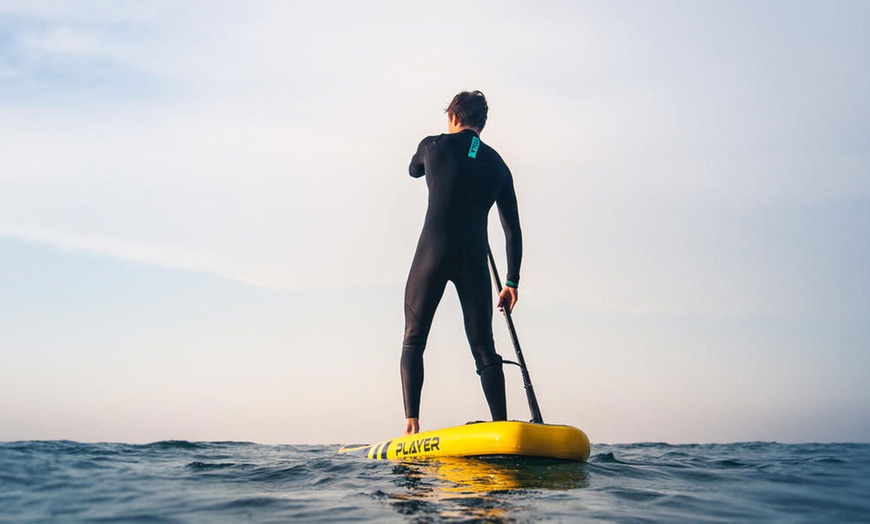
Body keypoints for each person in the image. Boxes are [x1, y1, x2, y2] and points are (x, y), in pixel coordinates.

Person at [401, 90, 522, 436]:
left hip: (432, 254)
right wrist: (511, 282)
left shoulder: (433, 145)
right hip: (474, 261)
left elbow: (413, 170)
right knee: (484, 346)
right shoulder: (498, 164)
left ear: (453, 117)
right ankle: (502, 429)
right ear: (481, 124)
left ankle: (412, 425)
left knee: (414, 339)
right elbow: (512, 230)